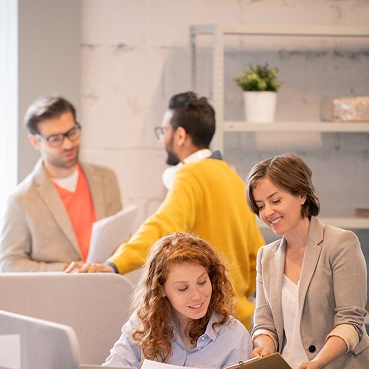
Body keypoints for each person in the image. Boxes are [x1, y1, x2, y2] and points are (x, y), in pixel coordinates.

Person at [67, 91, 265, 329]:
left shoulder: (190, 175)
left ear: (180, 135)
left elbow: (162, 228)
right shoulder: (232, 178)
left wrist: (114, 265)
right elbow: (257, 254)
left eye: (164, 131)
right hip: (238, 320)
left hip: (203, 321)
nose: (162, 139)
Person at [246, 153, 369, 369]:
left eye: (276, 200)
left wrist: (315, 365)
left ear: (302, 194)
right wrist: (264, 349)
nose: (268, 212)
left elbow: (351, 323)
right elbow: (264, 323)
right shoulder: (266, 256)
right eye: (260, 205)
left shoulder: (341, 244)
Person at [104, 232, 251, 369]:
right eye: (183, 288)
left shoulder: (233, 335)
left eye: (202, 282)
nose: (197, 296)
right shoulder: (142, 324)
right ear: (162, 290)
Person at [0, 95, 122, 272]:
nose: (67, 144)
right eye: (55, 139)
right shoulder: (21, 199)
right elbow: (8, 263)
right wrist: (64, 269)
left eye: (72, 133)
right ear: (35, 141)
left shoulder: (106, 179)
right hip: (53, 296)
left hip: (106, 290)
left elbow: (117, 239)